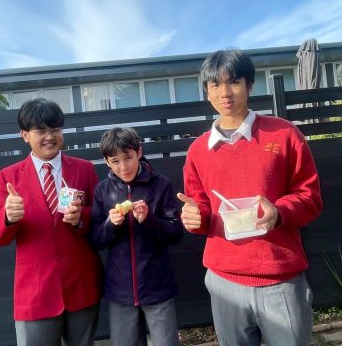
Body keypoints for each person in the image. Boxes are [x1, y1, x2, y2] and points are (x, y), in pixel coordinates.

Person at [177, 50, 323, 346]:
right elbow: (200, 206)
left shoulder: (284, 134)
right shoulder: (198, 151)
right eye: (215, 85)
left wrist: (279, 212)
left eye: (234, 82)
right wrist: (194, 217)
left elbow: (310, 196)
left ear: (250, 85)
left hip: (280, 277)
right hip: (224, 281)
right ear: (207, 92)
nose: (225, 92)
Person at [0, 98, 102, 346]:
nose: (50, 137)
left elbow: (101, 219)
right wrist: (7, 218)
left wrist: (81, 218)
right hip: (35, 291)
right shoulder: (9, 177)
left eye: (55, 129)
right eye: (41, 131)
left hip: (80, 285)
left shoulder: (84, 169)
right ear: (25, 135)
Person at [90, 127, 183, 346]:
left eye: (128, 157)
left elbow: (176, 233)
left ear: (139, 152)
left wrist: (148, 220)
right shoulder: (103, 190)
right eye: (115, 161)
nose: (123, 167)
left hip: (157, 286)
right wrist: (110, 224)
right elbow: (96, 239)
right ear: (106, 162)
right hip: (119, 290)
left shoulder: (161, 185)